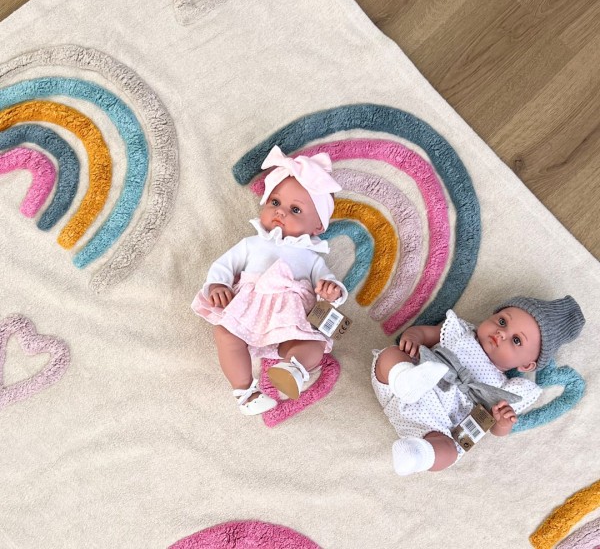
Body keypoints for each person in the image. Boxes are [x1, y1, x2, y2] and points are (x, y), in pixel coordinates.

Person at [192, 145, 347, 415]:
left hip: (291, 316)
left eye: (295, 210)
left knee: (315, 345)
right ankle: (245, 392)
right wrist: (218, 284)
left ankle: (293, 369)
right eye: (275, 203)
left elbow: (328, 283)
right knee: (225, 333)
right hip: (249, 308)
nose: (281, 212)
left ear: (318, 226)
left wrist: (331, 291)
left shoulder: (312, 258)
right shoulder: (251, 244)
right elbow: (224, 265)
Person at [372, 296, 585, 475]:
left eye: (516, 340)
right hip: (400, 387)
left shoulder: (505, 390)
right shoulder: (462, 332)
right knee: (390, 355)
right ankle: (406, 381)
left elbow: (496, 430)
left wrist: (503, 422)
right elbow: (426, 334)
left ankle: (416, 455)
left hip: (434, 425)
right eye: (502, 321)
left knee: (450, 450)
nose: (501, 333)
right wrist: (413, 337)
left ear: (526, 365)